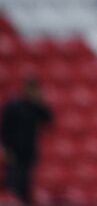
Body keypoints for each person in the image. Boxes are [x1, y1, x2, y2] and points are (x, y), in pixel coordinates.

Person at [0, 76, 52, 204]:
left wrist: (39, 102)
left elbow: (48, 118)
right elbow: (4, 127)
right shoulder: (13, 105)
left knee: (26, 181)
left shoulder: (35, 106)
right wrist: (4, 147)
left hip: (29, 149)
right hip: (13, 149)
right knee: (13, 181)